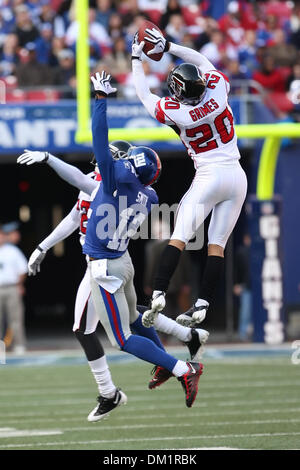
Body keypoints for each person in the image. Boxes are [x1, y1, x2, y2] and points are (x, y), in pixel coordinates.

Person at [17, 80, 209, 410]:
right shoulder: (149, 195)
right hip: (123, 261)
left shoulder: (108, 185)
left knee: (121, 338)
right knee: (135, 319)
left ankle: (181, 368)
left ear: (124, 168)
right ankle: (177, 349)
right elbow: (112, 175)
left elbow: (95, 150)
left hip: (104, 268)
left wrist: (100, 100)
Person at [131, 27, 247, 329]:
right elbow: (201, 59)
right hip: (237, 175)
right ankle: (203, 303)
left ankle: (158, 293)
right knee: (216, 245)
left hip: (208, 176)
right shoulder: (219, 90)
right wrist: (169, 44)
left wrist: (135, 58)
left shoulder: (179, 113)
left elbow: (144, 94)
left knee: (179, 237)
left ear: (179, 91)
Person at [0, 222, 27, 355]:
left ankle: (19, 345)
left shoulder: (12, 251)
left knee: (15, 318)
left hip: (11, 287)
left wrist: (19, 284)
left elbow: (23, 269)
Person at [233, 234, 252, 341]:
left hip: (258, 287)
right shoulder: (242, 252)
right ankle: (243, 334)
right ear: (246, 239)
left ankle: (253, 333)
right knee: (245, 311)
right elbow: (237, 270)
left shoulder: (259, 252)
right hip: (246, 286)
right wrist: (236, 284)